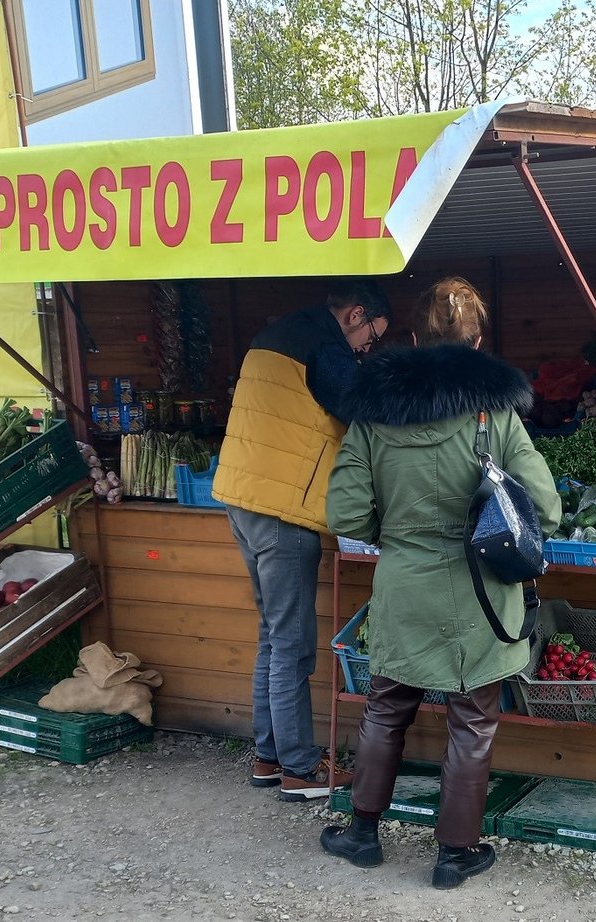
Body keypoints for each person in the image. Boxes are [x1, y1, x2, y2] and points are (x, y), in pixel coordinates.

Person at [321, 277, 562, 889]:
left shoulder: (373, 415)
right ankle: (455, 855)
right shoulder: (496, 415)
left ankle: (362, 835)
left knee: (385, 709)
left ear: (412, 340)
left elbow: (345, 513)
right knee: (473, 722)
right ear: (477, 343)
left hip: (403, 584)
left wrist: (397, 535)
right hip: (482, 595)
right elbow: (545, 507)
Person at [212, 280, 390, 801]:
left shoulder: (277, 334)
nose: (367, 349)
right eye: (372, 338)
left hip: (242, 500)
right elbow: (366, 413)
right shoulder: (324, 346)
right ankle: (300, 768)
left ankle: (269, 757)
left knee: (273, 635)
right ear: (356, 314)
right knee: (291, 644)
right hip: (282, 513)